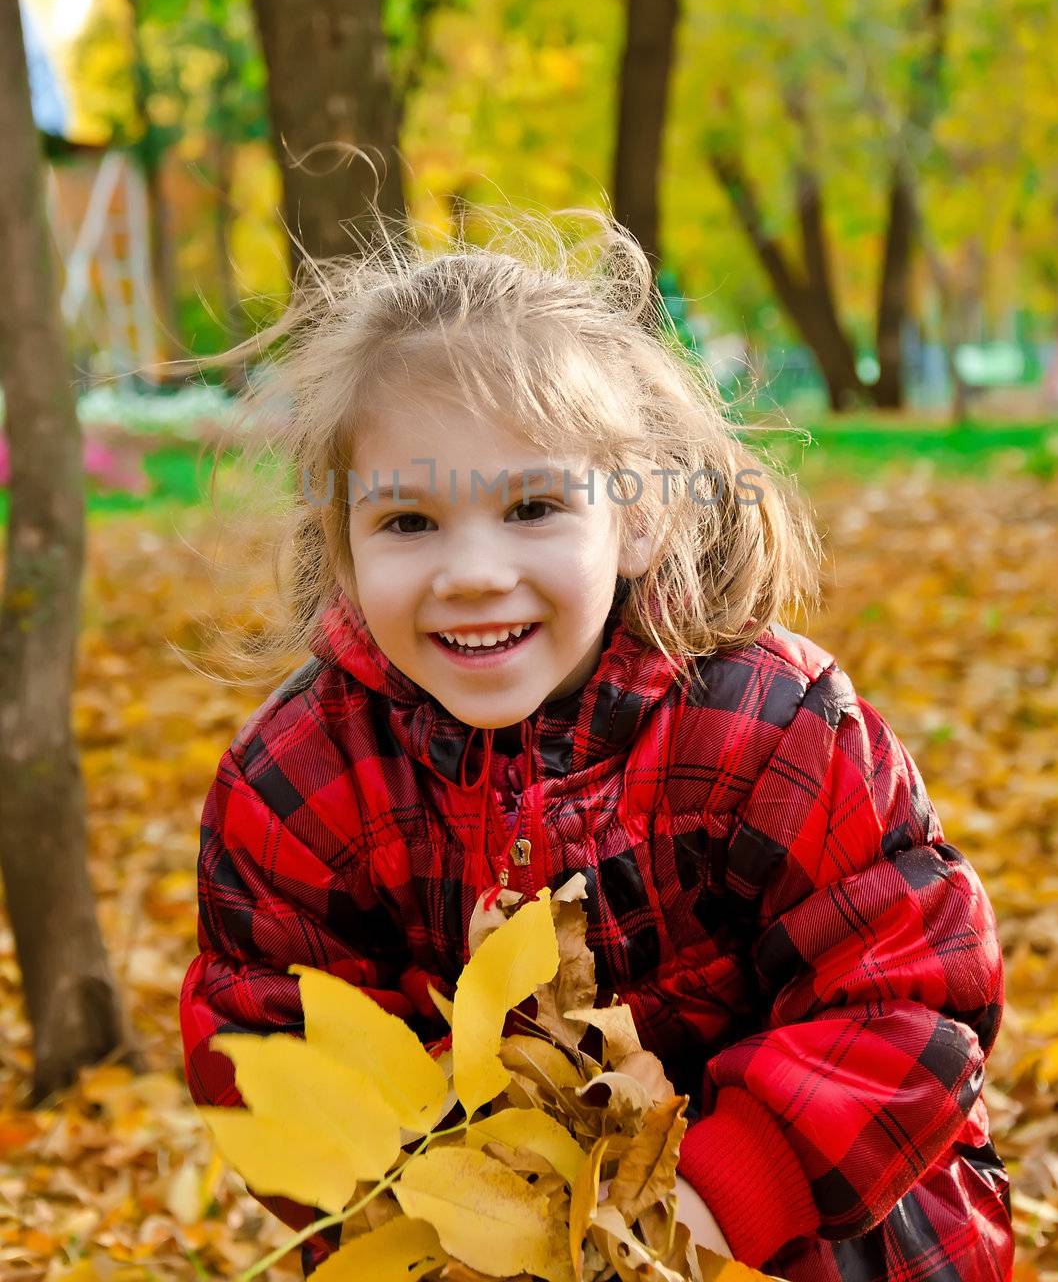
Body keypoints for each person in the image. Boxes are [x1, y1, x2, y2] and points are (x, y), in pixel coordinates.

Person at [179, 208, 1013, 1280]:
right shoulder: (299, 777)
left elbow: (907, 984)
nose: (472, 570)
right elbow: (265, 1029)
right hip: (473, 1231)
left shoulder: (769, 726)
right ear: (338, 544)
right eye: (408, 522)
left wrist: (711, 1201)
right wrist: (448, 1195)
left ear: (638, 521)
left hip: (802, 1218)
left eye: (531, 505)